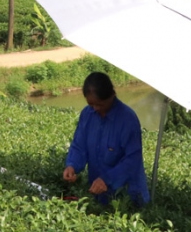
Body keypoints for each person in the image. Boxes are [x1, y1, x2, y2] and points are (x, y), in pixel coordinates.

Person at [63, 72, 150, 205]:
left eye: (100, 104)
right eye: (91, 104)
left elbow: (133, 159)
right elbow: (79, 145)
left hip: (127, 196)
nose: (96, 109)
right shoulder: (87, 114)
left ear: (112, 96)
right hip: (99, 195)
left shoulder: (128, 119)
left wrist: (107, 179)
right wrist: (72, 166)